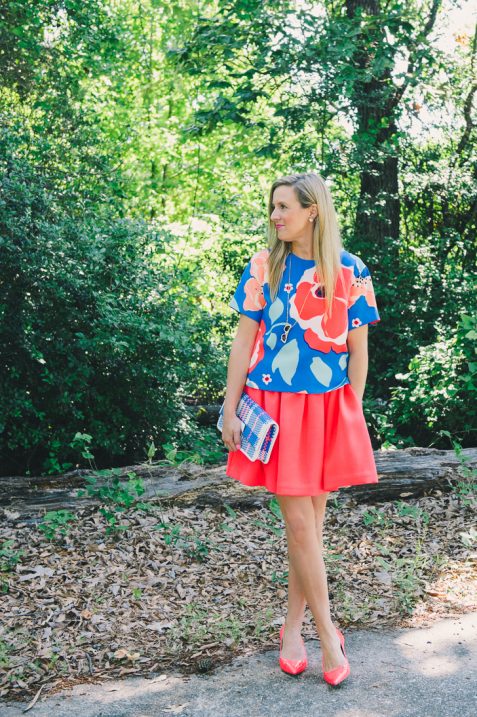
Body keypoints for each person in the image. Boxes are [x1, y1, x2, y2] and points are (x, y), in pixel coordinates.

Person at [221, 172, 381, 686]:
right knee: (300, 527)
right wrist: (229, 408)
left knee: (308, 530)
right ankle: (329, 634)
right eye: (273, 206)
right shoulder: (264, 266)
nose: (275, 215)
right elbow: (243, 343)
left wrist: (348, 416)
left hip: (328, 410)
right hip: (275, 409)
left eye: (284, 206)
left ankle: (292, 629)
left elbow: (359, 354)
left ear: (313, 210)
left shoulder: (350, 270)